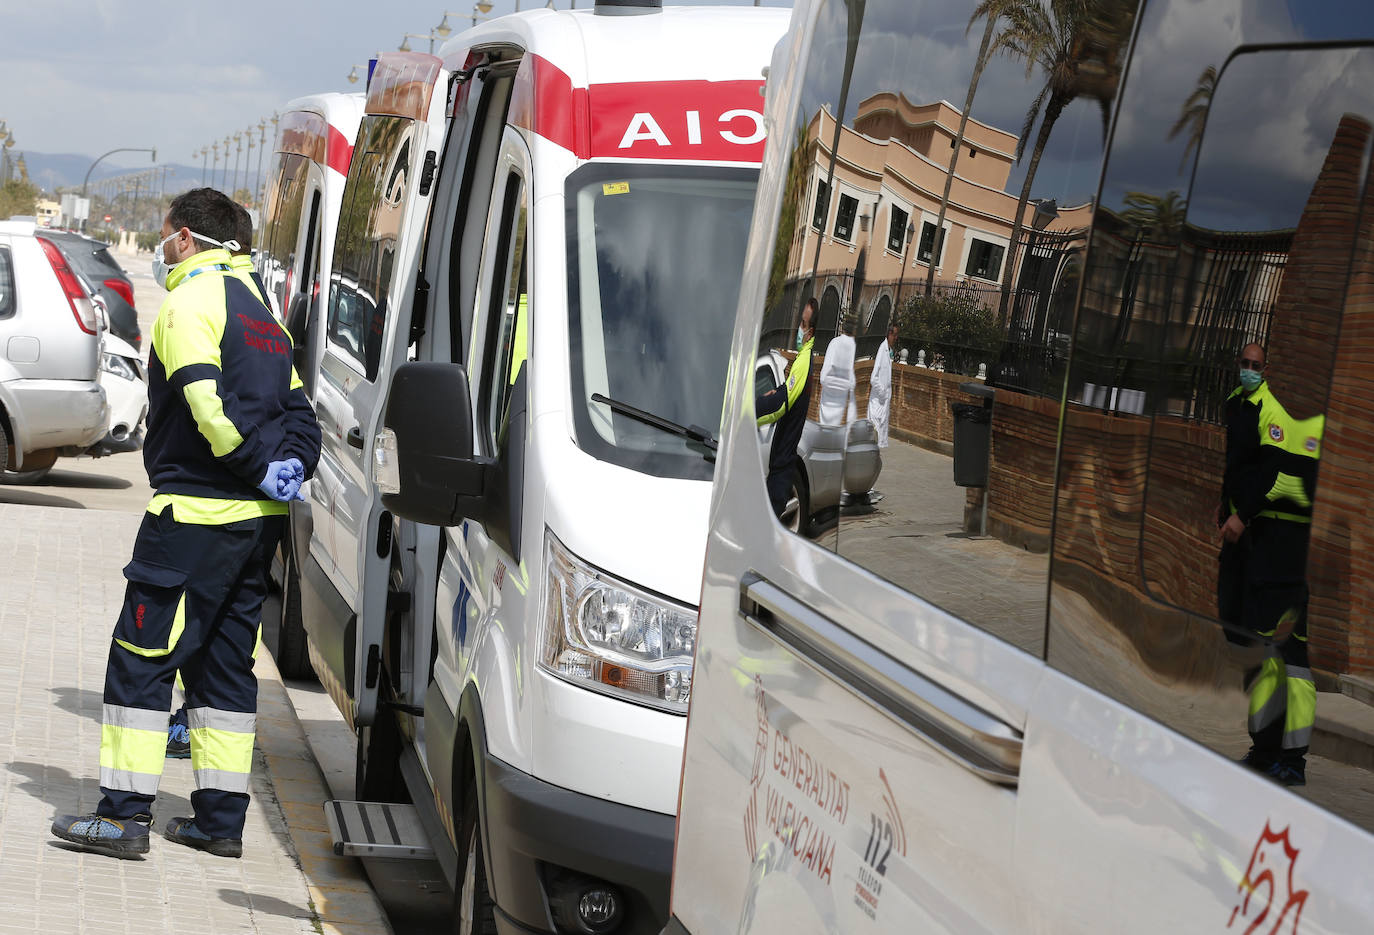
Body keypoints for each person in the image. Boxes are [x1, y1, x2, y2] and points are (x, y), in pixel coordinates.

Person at [51, 188, 322, 859]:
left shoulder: (188, 303)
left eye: (167, 234)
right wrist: (286, 468)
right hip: (257, 527)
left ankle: (122, 817)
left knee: (141, 662)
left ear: (184, 239)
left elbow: (205, 405)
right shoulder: (266, 315)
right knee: (224, 673)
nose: (164, 247)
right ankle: (220, 822)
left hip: (191, 520)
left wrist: (253, 462)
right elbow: (302, 416)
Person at [1217, 342, 1323, 787]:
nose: (1248, 371)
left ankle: (1286, 757)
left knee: (1286, 658)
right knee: (1263, 652)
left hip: (1285, 555)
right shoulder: (1238, 406)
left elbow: (1276, 480)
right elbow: (1240, 471)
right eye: (1244, 364)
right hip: (1263, 549)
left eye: (1255, 366)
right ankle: (1270, 751)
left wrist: (1243, 516)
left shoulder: (1281, 419)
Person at [757, 298, 816, 520]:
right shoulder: (803, 359)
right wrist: (780, 389)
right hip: (780, 462)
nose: (799, 329)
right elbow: (790, 392)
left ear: (810, 332)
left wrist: (750, 412)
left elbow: (782, 404)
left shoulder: (803, 362)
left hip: (781, 467)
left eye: (803, 323)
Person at [818, 313, 857, 425]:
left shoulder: (835, 342)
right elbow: (852, 377)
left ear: (842, 328)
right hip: (842, 398)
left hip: (828, 396)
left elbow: (825, 372)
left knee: (825, 427)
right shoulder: (853, 346)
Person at [868, 323, 897, 448]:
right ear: (890, 334)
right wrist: (883, 393)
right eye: (895, 335)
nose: (896, 338)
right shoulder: (882, 350)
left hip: (882, 404)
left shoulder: (888, 351)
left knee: (878, 444)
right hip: (877, 404)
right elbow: (873, 378)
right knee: (873, 441)